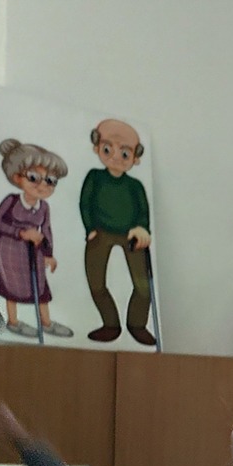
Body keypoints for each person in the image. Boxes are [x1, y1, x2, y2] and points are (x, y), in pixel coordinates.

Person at [80, 118, 155, 346]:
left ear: (135, 158)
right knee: (96, 283)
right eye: (107, 149)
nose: (115, 157)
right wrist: (90, 228)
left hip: (131, 235)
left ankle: (137, 324)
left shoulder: (135, 186)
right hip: (100, 232)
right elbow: (85, 203)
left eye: (124, 153)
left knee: (143, 286)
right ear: (97, 148)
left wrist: (142, 229)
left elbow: (143, 211)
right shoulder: (95, 177)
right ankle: (110, 324)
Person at [0, 139, 69, 339]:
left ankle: (46, 322)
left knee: (41, 287)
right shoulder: (12, 201)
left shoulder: (44, 207)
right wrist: (20, 233)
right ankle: (13, 321)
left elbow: (46, 230)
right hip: (10, 249)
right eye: (34, 177)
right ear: (18, 177)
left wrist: (48, 254)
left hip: (34, 249)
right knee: (11, 285)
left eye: (50, 180)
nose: (43, 185)